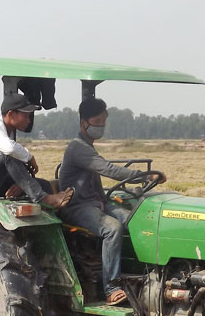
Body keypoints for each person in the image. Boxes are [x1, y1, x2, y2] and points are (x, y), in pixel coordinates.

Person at [59, 98, 166, 305]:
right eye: (97, 121)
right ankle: (111, 287)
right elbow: (108, 169)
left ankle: (144, 273)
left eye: (103, 121)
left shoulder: (87, 147)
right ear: (84, 124)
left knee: (135, 220)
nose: (101, 126)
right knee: (113, 228)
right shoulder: (77, 148)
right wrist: (144, 175)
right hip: (76, 207)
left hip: (96, 203)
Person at [0, 93, 74, 208]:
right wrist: (29, 157)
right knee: (8, 155)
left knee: (44, 185)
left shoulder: (9, 131)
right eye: (26, 116)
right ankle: (43, 199)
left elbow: (10, 163)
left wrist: (20, 184)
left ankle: (50, 218)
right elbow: (9, 150)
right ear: (11, 114)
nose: (29, 121)